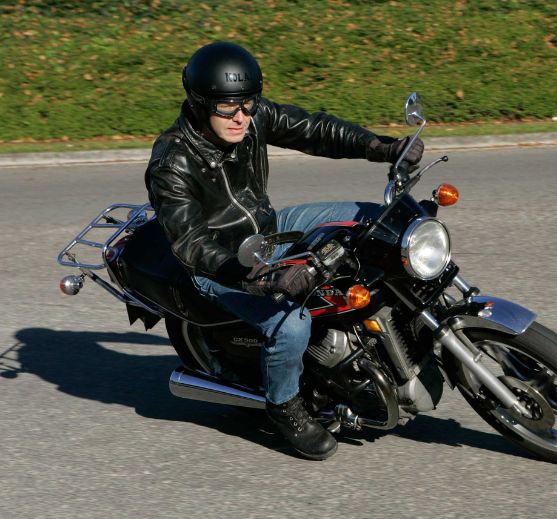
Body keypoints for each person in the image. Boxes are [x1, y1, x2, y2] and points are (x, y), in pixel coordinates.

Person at [145, 42, 423, 460]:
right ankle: (284, 406)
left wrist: (381, 147)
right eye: (226, 108)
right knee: (290, 323)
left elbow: (313, 129)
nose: (241, 116)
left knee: (372, 219)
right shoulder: (172, 163)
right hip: (218, 263)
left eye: (248, 103)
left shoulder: (251, 118)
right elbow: (190, 244)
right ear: (200, 104)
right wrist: (256, 276)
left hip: (269, 231)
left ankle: (411, 318)